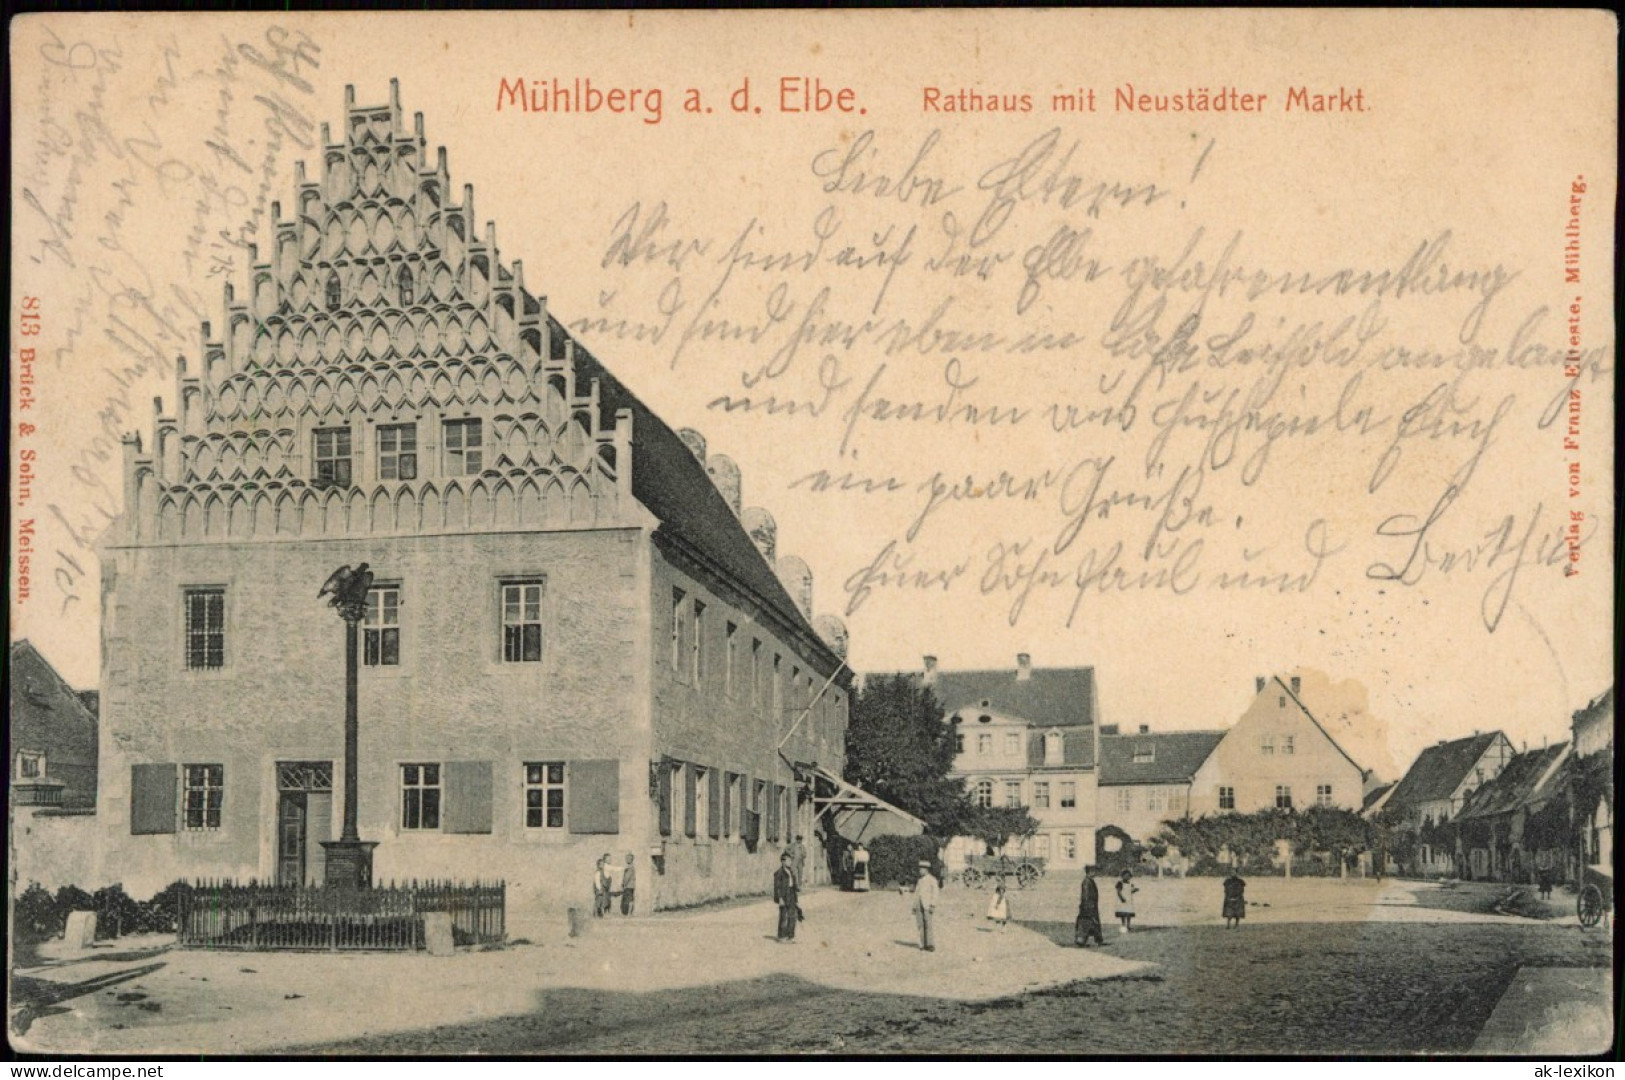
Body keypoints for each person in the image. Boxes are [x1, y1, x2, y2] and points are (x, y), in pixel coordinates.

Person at [913, 860, 940, 951]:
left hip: (927, 905)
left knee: (928, 923)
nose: (920, 871)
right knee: (920, 924)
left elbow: (935, 893)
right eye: (920, 869)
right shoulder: (920, 881)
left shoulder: (932, 879)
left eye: (922, 869)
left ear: (926, 870)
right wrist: (914, 905)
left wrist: (933, 904)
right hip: (919, 904)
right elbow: (916, 893)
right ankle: (922, 943)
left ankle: (930, 944)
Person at [1075, 866, 1105, 946]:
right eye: (1093, 871)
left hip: (1092, 905)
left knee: (1093, 923)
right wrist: (1088, 905)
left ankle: (1098, 940)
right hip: (1088, 906)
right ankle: (1081, 940)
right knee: (1085, 923)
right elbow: (1085, 895)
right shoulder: (1086, 881)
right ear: (1090, 872)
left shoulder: (1090, 881)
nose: (1095, 873)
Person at [773, 853, 799, 942]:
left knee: (792, 916)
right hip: (783, 896)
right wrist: (780, 898)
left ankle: (790, 936)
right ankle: (781, 936)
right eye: (788, 860)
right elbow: (777, 887)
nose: (790, 862)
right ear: (783, 861)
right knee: (783, 916)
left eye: (790, 860)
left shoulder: (791, 871)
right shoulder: (779, 873)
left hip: (791, 894)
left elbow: (793, 884)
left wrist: (796, 897)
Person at [1114, 869, 1138, 933]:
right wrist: (1122, 898)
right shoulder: (1120, 883)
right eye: (1126, 875)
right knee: (1123, 914)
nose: (1127, 877)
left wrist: (1135, 890)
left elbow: (1130, 891)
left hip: (1129, 900)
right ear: (1122, 876)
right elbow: (1118, 892)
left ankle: (1128, 926)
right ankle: (1123, 925)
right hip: (1122, 900)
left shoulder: (1130, 883)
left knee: (1129, 913)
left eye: (1128, 876)